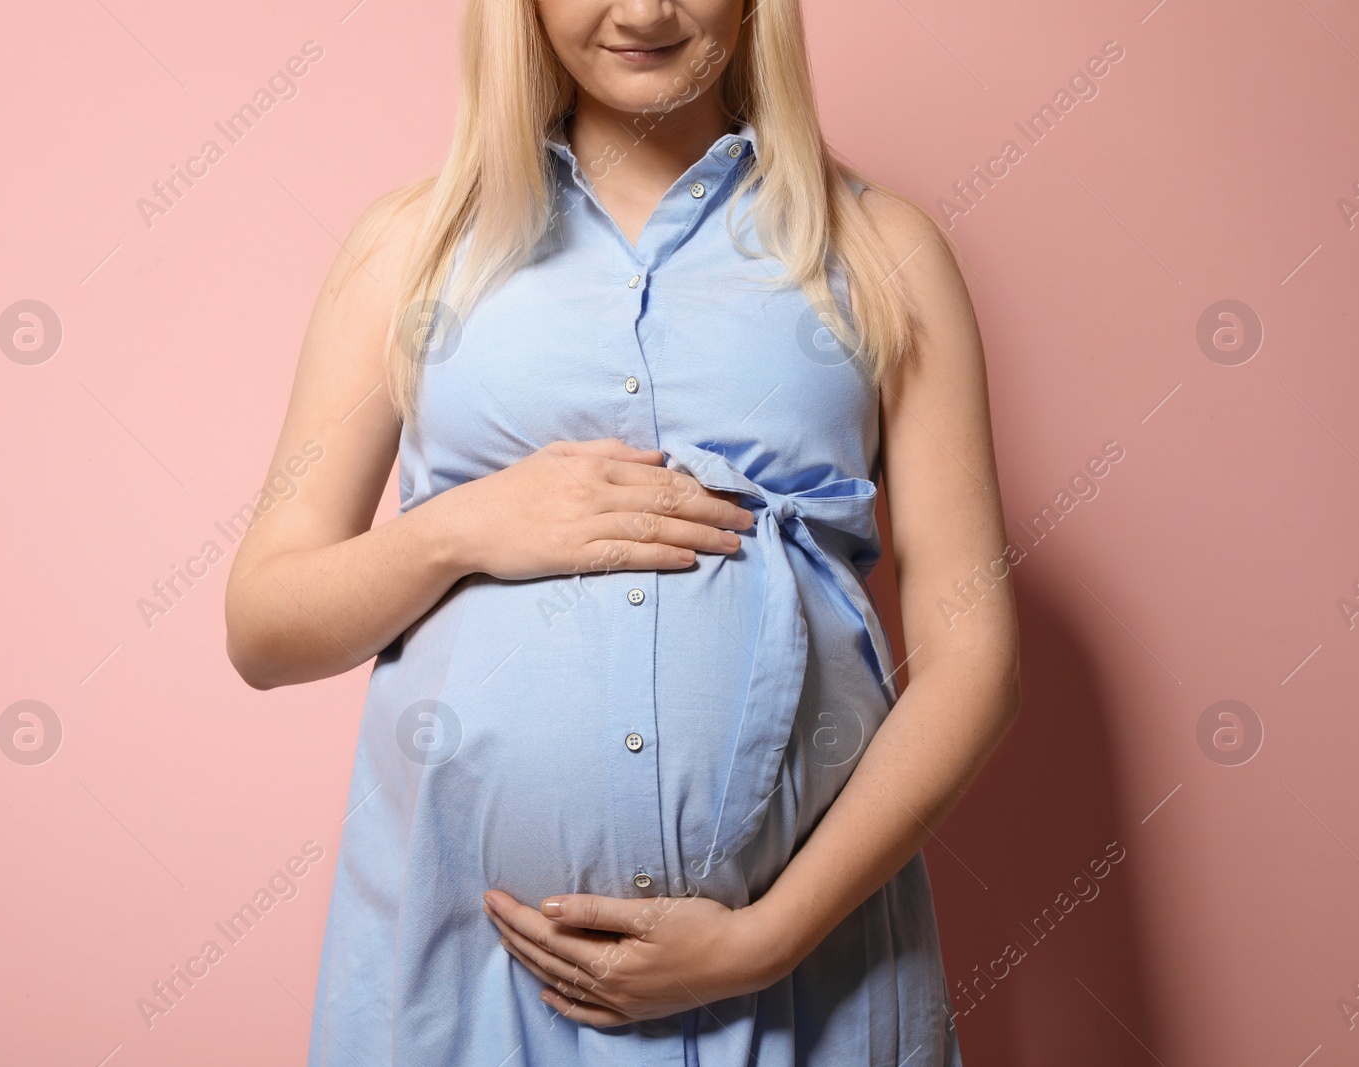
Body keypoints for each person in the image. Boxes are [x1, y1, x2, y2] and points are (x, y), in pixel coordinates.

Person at [224, 1, 1020, 1063]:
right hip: (469, 981)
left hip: (801, 977)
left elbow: (975, 655)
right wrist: (461, 527)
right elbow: (264, 625)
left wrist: (762, 939)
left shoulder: (881, 251)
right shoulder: (410, 252)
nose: (643, 11)